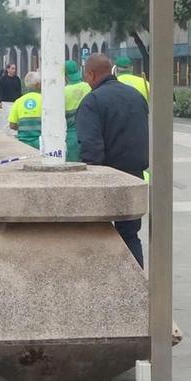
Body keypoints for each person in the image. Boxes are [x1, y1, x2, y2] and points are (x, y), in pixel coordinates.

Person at [76, 53, 150, 264]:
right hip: (135, 177)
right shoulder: (136, 95)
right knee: (130, 236)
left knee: (100, 236)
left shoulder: (93, 101)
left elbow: (91, 149)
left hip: (107, 178)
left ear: (91, 74)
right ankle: (136, 285)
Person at [61, 58, 91, 162]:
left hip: (72, 136)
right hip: (90, 134)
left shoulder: (62, 92)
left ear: (65, 76)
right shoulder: (89, 87)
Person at [8, 70, 43, 147]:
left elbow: (12, 125)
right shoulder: (45, 100)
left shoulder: (18, 101)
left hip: (22, 144)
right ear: (38, 85)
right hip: (40, 143)